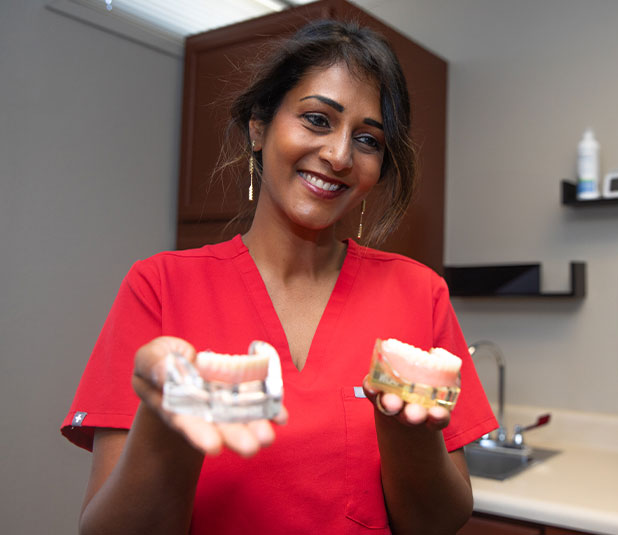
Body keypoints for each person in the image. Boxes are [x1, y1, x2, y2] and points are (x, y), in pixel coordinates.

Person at [61, 19, 497, 535]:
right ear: (258, 126)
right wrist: (165, 427)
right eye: (316, 119)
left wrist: (406, 429)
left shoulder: (420, 293)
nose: (339, 155)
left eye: (367, 140)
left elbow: (439, 522)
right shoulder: (158, 287)